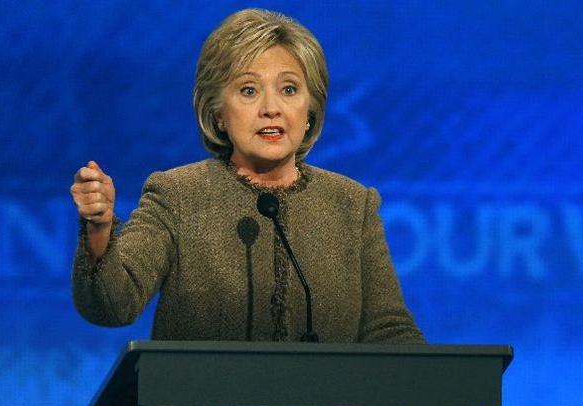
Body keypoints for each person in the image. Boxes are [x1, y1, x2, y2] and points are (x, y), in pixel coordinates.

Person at [70, 8, 425, 345]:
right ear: (218, 113)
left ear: (310, 111)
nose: (271, 108)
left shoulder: (351, 204)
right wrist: (99, 229)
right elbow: (111, 306)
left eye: (289, 89)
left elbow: (388, 329)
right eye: (249, 90)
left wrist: (440, 389)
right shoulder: (178, 194)